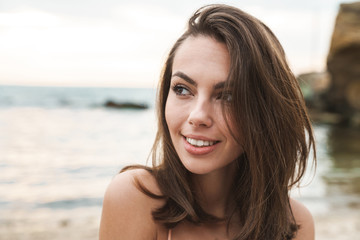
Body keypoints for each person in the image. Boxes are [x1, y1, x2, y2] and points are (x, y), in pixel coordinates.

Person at [99, 4, 316, 240]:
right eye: (182, 89)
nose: (197, 116)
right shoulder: (136, 197)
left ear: (264, 112)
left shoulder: (293, 223)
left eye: (228, 96)